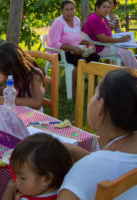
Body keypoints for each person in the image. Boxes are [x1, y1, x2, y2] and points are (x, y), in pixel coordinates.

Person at [57, 68, 137, 200]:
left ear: (101, 106)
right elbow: (113, 164)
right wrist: (75, 150)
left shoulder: (83, 173)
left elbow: (101, 168)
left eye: (94, 94)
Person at [48, 0, 100, 98]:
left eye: (72, 9)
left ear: (75, 10)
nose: (69, 12)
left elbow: (77, 37)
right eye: (66, 9)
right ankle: (72, 91)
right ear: (62, 11)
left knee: (95, 58)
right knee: (80, 62)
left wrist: (88, 43)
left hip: (75, 49)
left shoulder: (77, 20)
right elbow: (55, 43)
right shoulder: (58, 22)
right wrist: (71, 47)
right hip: (60, 52)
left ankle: (94, 86)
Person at [2, 133, 73, 200]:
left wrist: (9, 191)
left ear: (47, 178)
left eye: (22, 178)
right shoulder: (67, 191)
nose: (16, 181)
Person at [0, 42, 45, 111]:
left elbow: (37, 103)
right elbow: (15, 89)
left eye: (2, 70)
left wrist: (7, 100)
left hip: (32, 115)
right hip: (17, 109)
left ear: (12, 66)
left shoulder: (36, 75)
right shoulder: (16, 72)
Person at [83, 0, 137, 68]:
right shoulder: (95, 18)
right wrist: (120, 40)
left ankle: (131, 74)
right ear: (97, 7)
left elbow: (111, 34)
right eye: (104, 7)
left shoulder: (103, 18)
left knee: (127, 51)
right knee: (127, 53)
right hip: (98, 48)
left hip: (106, 45)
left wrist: (126, 41)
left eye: (108, 7)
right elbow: (102, 39)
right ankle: (134, 74)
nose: (106, 9)